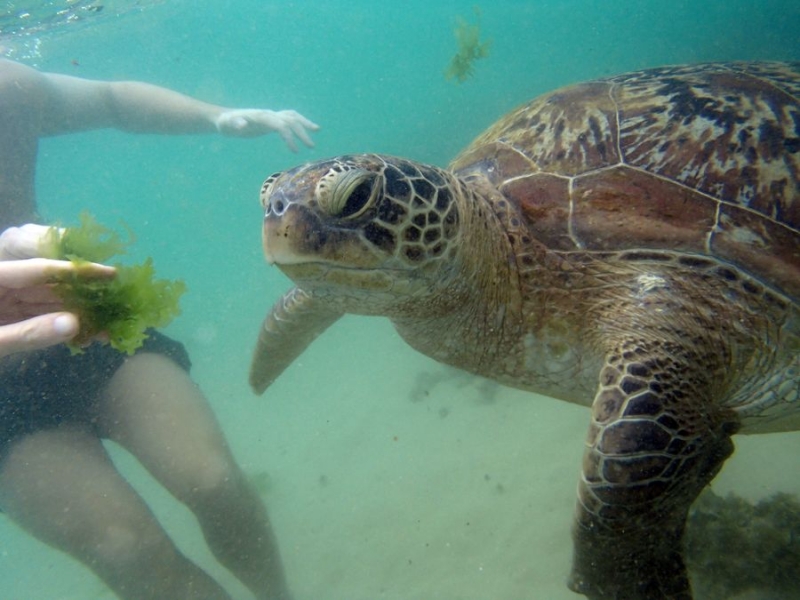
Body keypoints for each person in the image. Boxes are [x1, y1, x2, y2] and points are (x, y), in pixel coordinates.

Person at [0, 58, 318, 600]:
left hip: (78, 325)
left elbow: (111, 100)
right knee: (128, 548)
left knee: (215, 482)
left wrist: (219, 117)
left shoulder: (7, 88)